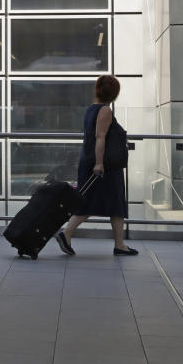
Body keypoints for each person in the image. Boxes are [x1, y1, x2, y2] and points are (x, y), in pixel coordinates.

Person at [56, 74, 137, 256]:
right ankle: (66, 233)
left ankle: (120, 244)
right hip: (102, 165)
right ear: (114, 93)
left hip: (97, 163)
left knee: (115, 203)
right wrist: (99, 164)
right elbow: (100, 138)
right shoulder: (105, 111)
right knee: (89, 202)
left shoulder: (91, 109)